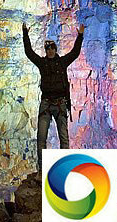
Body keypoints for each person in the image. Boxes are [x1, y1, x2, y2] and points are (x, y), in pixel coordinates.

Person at [22, 21, 85, 171]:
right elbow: (29, 52)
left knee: (64, 138)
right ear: (45, 50)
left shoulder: (62, 62)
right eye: (47, 48)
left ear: (55, 49)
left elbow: (75, 53)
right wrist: (25, 34)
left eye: (52, 48)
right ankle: (42, 170)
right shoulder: (42, 63)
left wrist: (80, 35)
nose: (50, 51)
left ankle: (64, 170)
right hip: (46, 104)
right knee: (41, 138)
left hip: (60, 104)